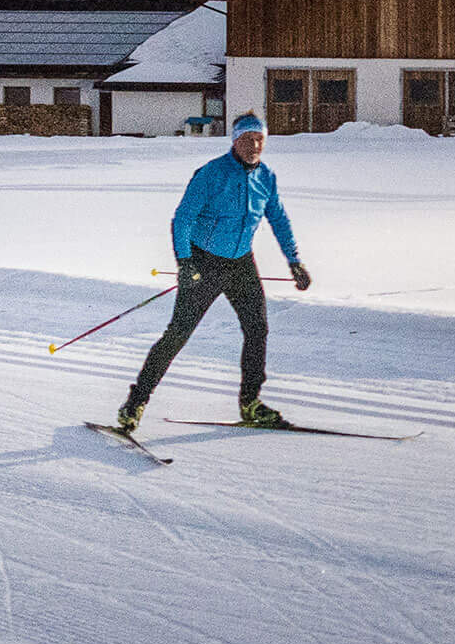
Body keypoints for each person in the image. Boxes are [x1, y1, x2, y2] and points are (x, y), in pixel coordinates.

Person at [116, 112, 311, 432]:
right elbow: (182, 219)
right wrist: (185, 262)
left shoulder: (266, 177)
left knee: (257, 329)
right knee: (178, 333)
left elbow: (279, 219)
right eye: (248, 139)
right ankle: (136, 402)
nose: (255, 145)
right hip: (203, 262)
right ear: (234, 141)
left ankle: (251, 402)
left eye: (260, 139)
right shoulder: (211, 174)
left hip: (240, 263)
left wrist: (294, 260)